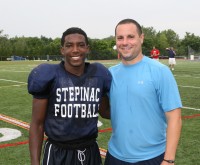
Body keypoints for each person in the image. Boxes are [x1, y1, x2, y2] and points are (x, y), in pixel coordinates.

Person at [27, 27, 111, 165]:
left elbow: (105, 112)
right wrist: (35, 163)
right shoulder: (48, 75)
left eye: (81, 45)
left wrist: (135, 108)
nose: (75, 50)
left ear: (87, 48)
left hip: (90, 151)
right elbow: (37, 124)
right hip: (57, 152)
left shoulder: (99, 74)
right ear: (62, 50)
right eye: (69, 45)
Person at [104, 19, 182, 165]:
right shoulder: (110, 74)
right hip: (114, 157)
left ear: (141, 38)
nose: (125, 42)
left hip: (152, 158)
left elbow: (175, 118)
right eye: (120, 38)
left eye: (130, 36)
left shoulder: (160, 71)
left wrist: (169, 160)